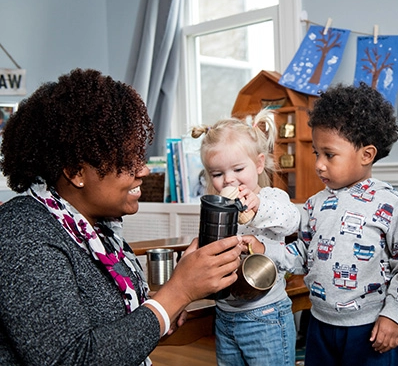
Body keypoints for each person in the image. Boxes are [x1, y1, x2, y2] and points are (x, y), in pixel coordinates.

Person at [0, 68, 244, 366]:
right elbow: (72, 359)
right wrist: (176, 294)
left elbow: (110, 331)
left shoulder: (94, 231)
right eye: (128, 161)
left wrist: (164, 303)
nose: (143, 170)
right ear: (76, 172)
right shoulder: (24, 234)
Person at [246, 83, 398, 366]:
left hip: (371, 330)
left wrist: (393, 315)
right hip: (320, 326)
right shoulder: (315, 204)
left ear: (366, 155)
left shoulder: (391, 204)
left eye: (329, 155)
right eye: (316, 153)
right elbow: (302, 256)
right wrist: (264, 249)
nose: (319, 164)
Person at [191, 109, 301, 366]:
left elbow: (291, 220)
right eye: (217, 174)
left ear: (259, 163)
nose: (228, 179)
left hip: (266, 315)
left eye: (238, 169)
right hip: (226, 314)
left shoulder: (271, 198)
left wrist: (257, 207)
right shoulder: (218, 207)